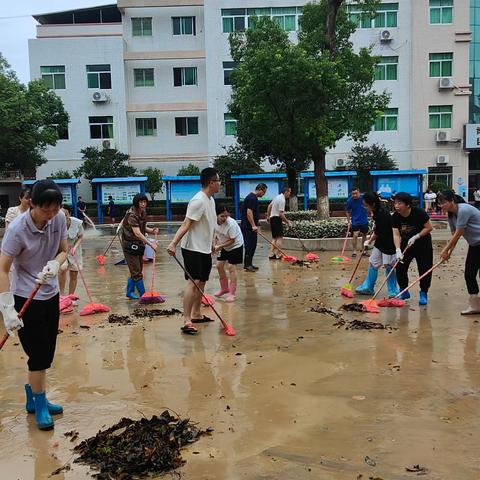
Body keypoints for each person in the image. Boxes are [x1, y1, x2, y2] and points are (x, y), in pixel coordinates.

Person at [0, 179, 67, 430]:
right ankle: (40, 404)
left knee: (47, 351)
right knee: (37, 355)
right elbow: (3, 268)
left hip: (49, 291)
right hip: (24, 295)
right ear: (32, 204)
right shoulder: (17, 229)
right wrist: (7, 309)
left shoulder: (58, 219)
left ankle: (33, 397)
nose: (50, 215)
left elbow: (63, 249)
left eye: (55, 209)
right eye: (45, 210)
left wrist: (55, 264)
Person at [167, 168, 219, 334]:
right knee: (193, 282)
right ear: (211, 182)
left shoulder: (211, 200)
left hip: (204, 248)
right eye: (218, 180)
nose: (220, 183)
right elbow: (186, 224)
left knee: (202, 281)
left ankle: (197, 314)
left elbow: (210, 223)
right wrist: (173, 243)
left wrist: (212, 241)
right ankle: (187, 320)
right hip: (192, 248)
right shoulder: (198, 201)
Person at [439, 190, 480, 314]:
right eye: (439, 204)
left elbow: (458, 234)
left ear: (452, 201)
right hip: (475, 245)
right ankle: (475, 306)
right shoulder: (451, 215)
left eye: (443, 203)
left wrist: (445, 250)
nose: (441, 206)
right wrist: (449, 253)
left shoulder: (464, 210)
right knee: (469, 274)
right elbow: (453, 235)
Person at [392, 192, 433, 305]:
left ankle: (423, 292)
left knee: (424, 268)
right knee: (400, 267)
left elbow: (429, 227)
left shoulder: (419, 213)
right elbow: (396, 234)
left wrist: (416, 236)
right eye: (395, 203)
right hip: (406, 244)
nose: (396, 206)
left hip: (422, 244)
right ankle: (404, 290)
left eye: (399, 203)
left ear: (408, 204)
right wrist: (398, 250)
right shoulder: (395, 216)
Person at [355, 193, 399, 297]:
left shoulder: (382, 214)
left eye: (366, 205)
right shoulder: (375, 211)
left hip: (389, 244)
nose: (365, 207)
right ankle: (368, 287)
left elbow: (379, 232)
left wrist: (369, 241)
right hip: (380, 243)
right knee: (373, 262)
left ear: (373, 204)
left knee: (389, 265)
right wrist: (369, 241)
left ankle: (393, 290)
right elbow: (376, 230)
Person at [121, 193, 158, 300]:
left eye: (144, 202)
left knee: (137, 270)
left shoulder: (142, 213)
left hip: (139, 245)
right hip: (130, 246)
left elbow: (143, 227)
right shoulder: (131, 216)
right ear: (136, 203)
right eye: (141, 202)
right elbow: (137, 233)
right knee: (137, 272)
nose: (143, 204)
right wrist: (151, 244)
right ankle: (143, 296)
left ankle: (129, 292)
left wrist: (152, 230)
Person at [213, 205, 244, 302]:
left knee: (231, 267)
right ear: (216, 215)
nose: (225, 218)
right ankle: (224, 288)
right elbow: (215, 233)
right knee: (219, 265)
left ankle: (232, 293)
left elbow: (232, 240)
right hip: (223, 245)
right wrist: (214, 244)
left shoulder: (231, 224)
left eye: (226, 216)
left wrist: (219, 246)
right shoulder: (213, 220)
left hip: (235, 245)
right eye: (222, 216)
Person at [240, 183, 267, 272]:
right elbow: (249, 212)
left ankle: (250, 263)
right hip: (248, 227)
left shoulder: (253, 198)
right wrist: (253, 225)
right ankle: (247, 265)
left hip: (251, 227)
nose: (264, 194)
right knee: (249, 246)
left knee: (253, 245)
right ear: (260, 189)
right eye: (264, 192)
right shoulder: (251, 198)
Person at [58, 205, 84, 298]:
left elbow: (81, 236)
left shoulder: (77, 222)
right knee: (63, 268)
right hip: (61, 250)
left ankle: (71, 296)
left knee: (74, 273)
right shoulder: (54, 223)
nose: (62, 217)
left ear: (69, 214)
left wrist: (75, 247)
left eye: (65, 214)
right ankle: (62, 294)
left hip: (74, 250)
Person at [266, 187, 291, 260]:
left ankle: (271, 254)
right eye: (289, 192)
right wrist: (288, 222)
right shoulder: (282, 200)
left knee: (274, 238)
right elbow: (281, 214)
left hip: (272, 218)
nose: (290, 194)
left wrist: (268, 216)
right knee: (279, 237)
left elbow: (269, 206)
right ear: (286, 192)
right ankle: (278, 254)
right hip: (277, 219)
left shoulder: (277, 197)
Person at [346, 187, 369, 257]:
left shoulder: (363, 199)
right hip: (355, 221)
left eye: (356, 193)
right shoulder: (349, 201)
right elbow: (347, 211)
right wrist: (349, 221)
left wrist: (370, 213)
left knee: (364, 235)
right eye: (353, 194)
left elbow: (368, 206)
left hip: (364, 220)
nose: (354, 195)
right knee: (355, 235)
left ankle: (364, 250)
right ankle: (354, 251)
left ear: (359, 192)